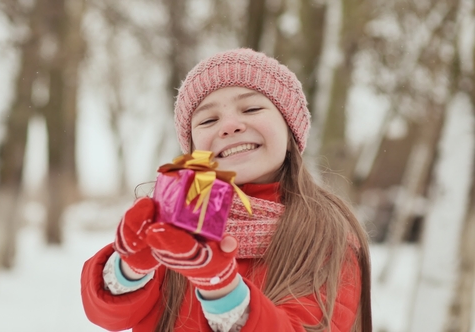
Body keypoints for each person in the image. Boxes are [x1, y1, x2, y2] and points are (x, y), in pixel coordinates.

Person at [81, 48, 372, 332]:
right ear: (193, 146)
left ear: (290, 129)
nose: (230, 126)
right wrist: (130, 266)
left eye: (252, 108)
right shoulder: (169, 220)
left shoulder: (326, 237)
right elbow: (109, 315)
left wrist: (222, 289)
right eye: (209, 119)